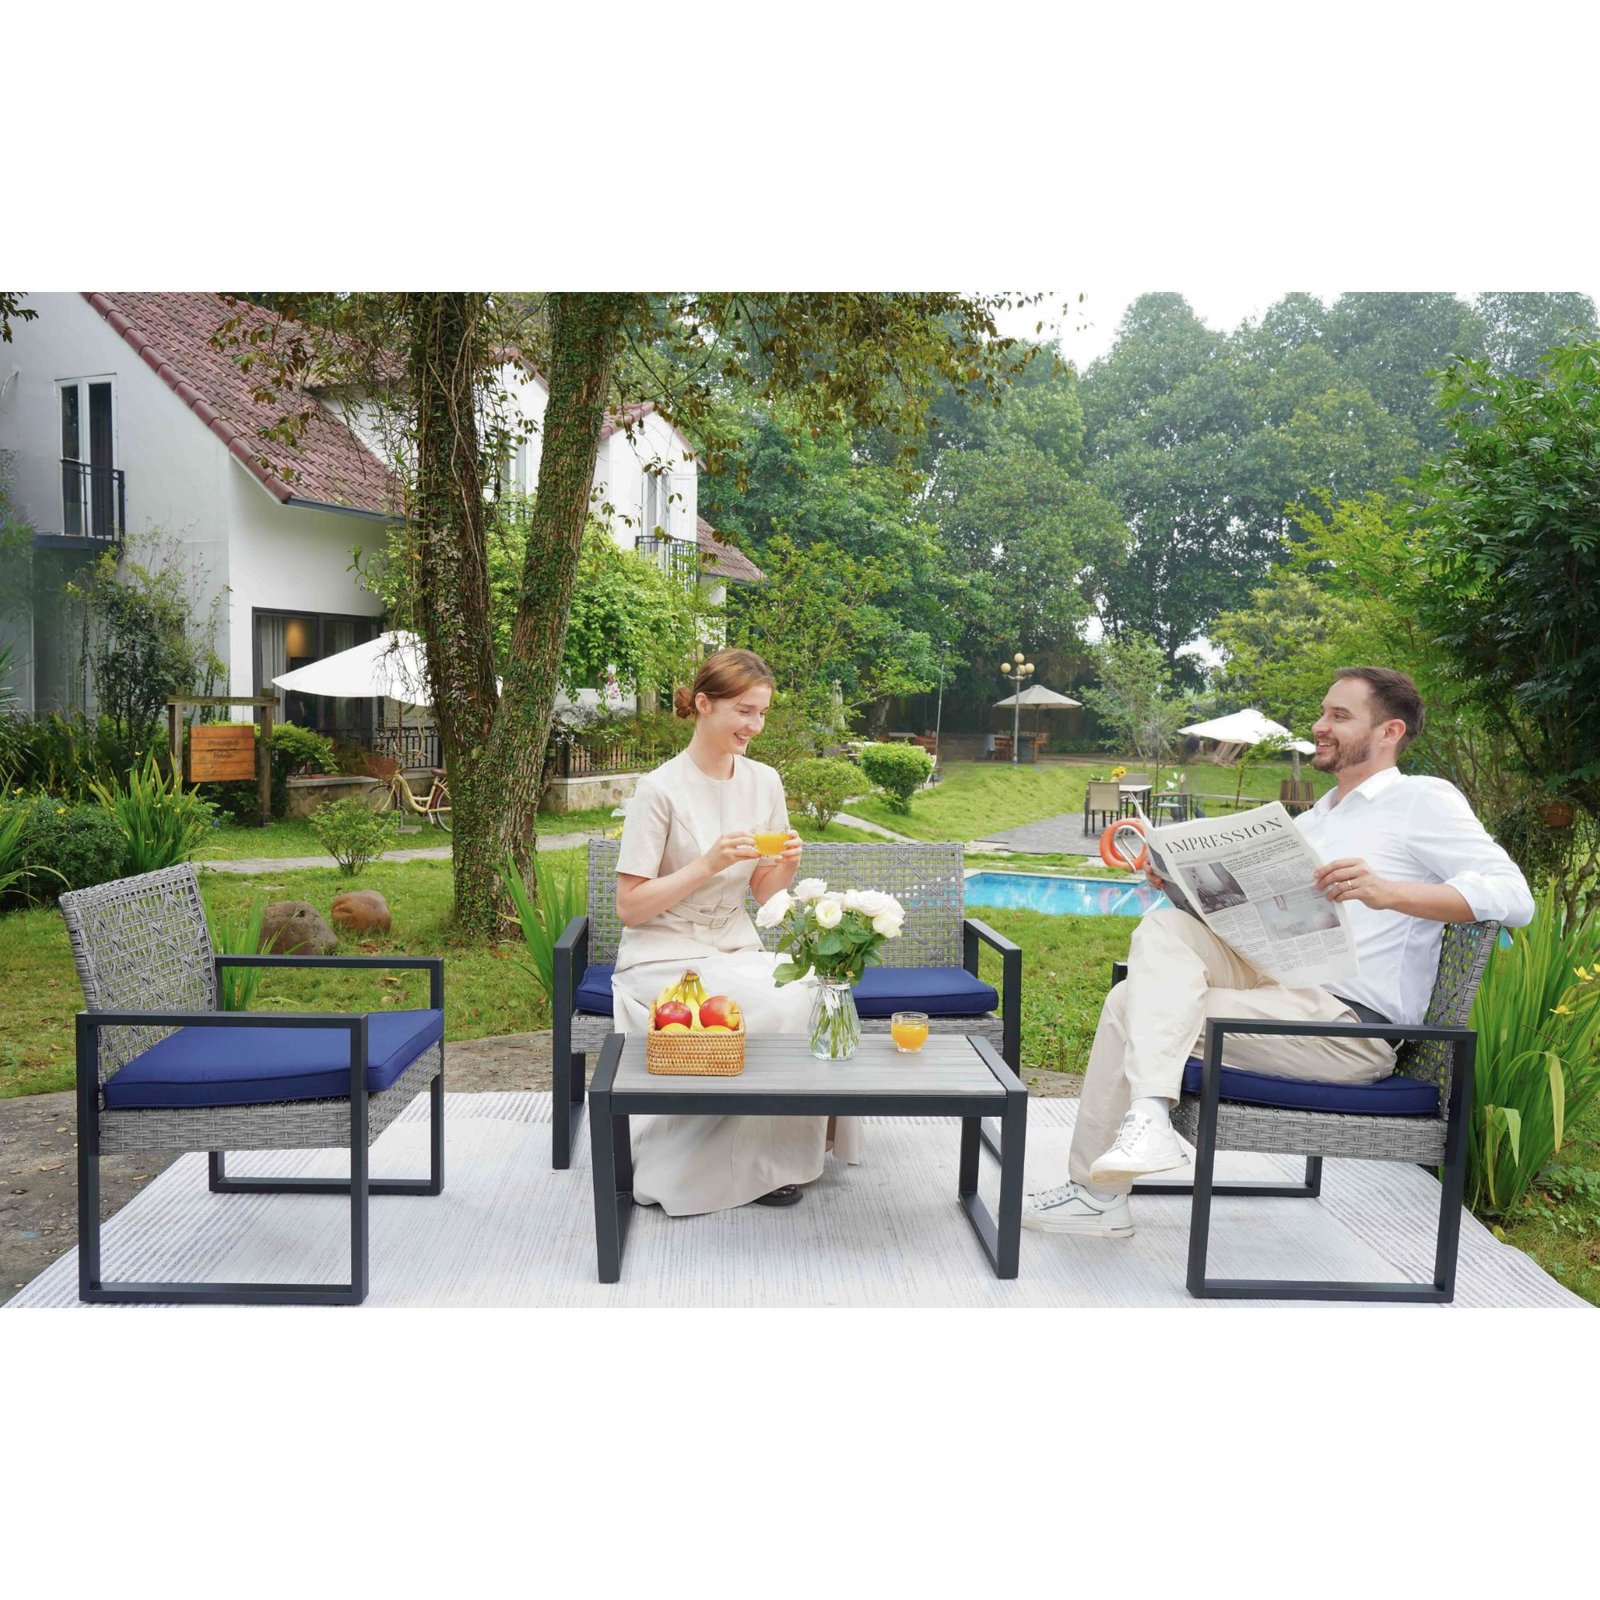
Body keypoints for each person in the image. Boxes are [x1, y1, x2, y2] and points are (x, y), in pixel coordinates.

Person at [1024, 666, 1536, 1238]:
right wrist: (1183, 886)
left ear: (1390, 731)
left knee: (1128, 1004)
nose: (1320, 726)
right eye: (1322, 713)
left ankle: (1104, 1188)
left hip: (1347, 1029)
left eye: (1340, 717)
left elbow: (1514, 896)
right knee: (1164, 930)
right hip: (1277, 993)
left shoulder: (1422, 800)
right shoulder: (1318, 818)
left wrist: (1389, 892)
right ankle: (1145, 1123)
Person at [612, 648, 861, 1215]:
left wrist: (790, 864)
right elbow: (629, 907)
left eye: (763, 713)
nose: (755, 725)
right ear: (703, 704)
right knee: (762, 1008)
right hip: (662, 954)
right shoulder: (659, 790)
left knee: (811, 994)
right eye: (744, 711)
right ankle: (706, 1169)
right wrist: (706, 863)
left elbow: (766, 895)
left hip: (734, 943)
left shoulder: (764, 781)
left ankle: (781, 1160)